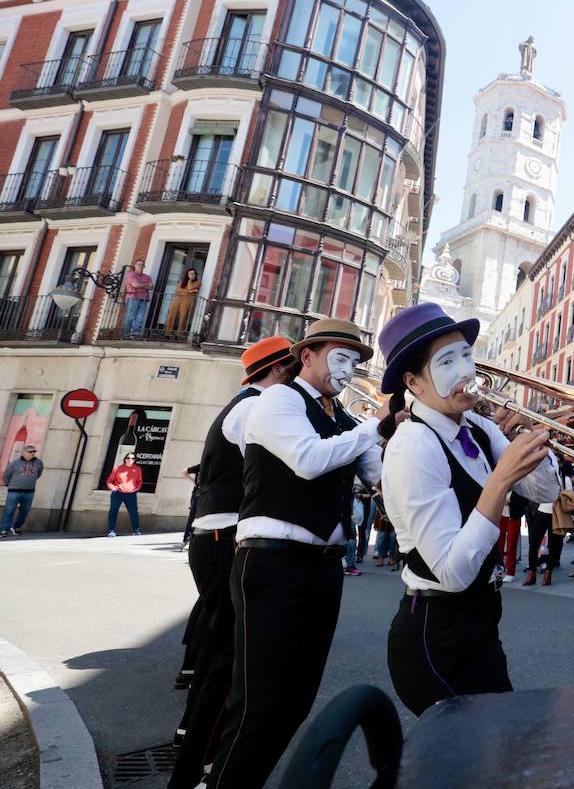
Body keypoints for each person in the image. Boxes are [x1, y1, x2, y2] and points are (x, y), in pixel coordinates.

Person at [201, 319, 384, 788]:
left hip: (324, 567)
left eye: (354, 362)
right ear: (307, 356)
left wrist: (409, 432)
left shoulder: (348, 420)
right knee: (260, 703)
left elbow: (379, 480)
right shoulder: (278, 399)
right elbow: (307, 460)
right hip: (272, 562)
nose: (349, 370)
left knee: (297, 701)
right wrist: (375, 428)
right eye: (339, 358)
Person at [375, 303, 558, 716]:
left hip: (480, 623)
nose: (465, 372)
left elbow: (545, 490)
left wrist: (531, 436)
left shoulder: (478, 427)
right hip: (436, 634)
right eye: (446, 361)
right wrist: (500, 480)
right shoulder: (413, 444)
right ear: (413, 383)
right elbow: (453, 572)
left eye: (466, 356)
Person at [168, 336, 296, 789]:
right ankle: (202, 760)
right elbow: (275, 466)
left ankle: (193, 739)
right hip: (224, 534)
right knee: (230, 654)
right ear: (281, 368)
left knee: (221, 646)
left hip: (217, 533)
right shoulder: (255, 408)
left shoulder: (248, 403)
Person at [0, 445, 42, 537]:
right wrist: (9, 485)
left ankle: (16, 527)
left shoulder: (38, 463)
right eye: (30, 452)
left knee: (25, 511)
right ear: (24, 452)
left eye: (34, 452)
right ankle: (4, 529)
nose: (32, 453)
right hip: (14, 491)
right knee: (9, 510)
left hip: (29, 491)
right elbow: (6, 475)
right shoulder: (15, 463)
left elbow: (38, 474)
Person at [106, 453, 142, 535]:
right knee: (113, 511)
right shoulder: (118, 468)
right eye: (128, 458)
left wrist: (136, 489)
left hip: (131, 494)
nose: (130, 460)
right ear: (125, 459)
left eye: (133, 458)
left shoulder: (137, 469)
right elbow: (109, 481)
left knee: (133, 512)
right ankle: (112, 531)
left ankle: (136, 530)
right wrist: (113, 488)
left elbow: (139, 481)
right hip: (118, 493)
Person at [166, 267, 200, 335]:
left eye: (193, 274)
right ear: (187, 274)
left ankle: (179, 334)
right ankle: (168, 333)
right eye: (190, 274)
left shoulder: (198, 282)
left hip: (188, 300)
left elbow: (190, 288)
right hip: (177, 299)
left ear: (195, 275)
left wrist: (190, 282)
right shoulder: (182, 281)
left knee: (183, 316)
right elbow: (178, 290)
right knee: (172, 315)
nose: (191, 275)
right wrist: (190, 291)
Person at [122, 258, 153, 331]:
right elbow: (135, 285)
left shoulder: (147, 277)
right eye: (139, 264)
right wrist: (146, 285)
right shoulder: (131, 274)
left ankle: (135, 334)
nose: (141, 266)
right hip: (133, 297)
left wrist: (141, 284)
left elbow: (151, 287)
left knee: (140, 318)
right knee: (130, 316)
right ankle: (125, 334)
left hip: (144, 298)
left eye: (142, 265)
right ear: (135, 266)